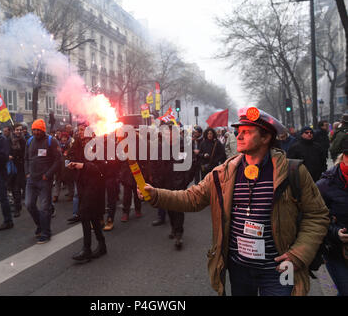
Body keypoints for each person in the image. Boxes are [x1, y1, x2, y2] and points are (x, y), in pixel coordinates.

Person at [138, 107, 329, 296]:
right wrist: (156, 195)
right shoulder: (224, 173)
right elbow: (192, 198)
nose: (238, 136)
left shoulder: (292, 171)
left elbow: (317, 215)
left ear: (266, 137)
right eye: (239, 131)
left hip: (279, 268)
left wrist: (299, 253)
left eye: (246, 132)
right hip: (239, 268)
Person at [70, 122, 107, 262]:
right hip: (83, 185)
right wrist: (72, 164)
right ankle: (102, 245)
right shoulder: (79, 145)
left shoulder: (99, 146)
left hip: (95, 186)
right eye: (78, 130)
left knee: (85, 215)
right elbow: (72, 156)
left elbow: (101, 168)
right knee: (93, 217)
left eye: (82, 130)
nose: (79, 132)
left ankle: (87, 249)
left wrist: (84, 166)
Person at [316, 139, 348, 296]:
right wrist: (336, 232)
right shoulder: (325, 185)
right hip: (336, 251)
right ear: (344, 157)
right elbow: (313, 219)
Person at [24, 119, 61, 244]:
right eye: (34, 129)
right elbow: (26, 159)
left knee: (45, 207)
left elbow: (58, 160)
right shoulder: (29, 141)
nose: (35, 132)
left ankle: (46, 233)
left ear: (43, 130)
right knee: (29, 204)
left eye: (38, 130)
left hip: (45, 180)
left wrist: (48, 174)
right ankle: (40, 225)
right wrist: (27, 173)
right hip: (31, 180)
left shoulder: (51, 141)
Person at [8, 123, 26, 218]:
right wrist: (8, 156)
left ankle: (17, 207)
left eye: (20, 130)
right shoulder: (9, 140)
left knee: (17, 188)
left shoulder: (24, 140)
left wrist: (14, 156)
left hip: (21, 168)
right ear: (13, 130)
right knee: (14, 189)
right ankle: (17, 205)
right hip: (11, 167)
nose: (18, 131)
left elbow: (25, 154)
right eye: (17, 130)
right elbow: (6, 150)